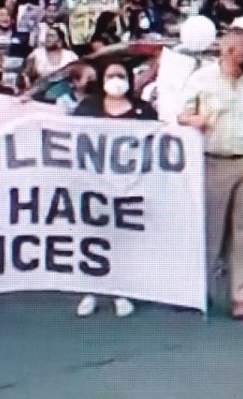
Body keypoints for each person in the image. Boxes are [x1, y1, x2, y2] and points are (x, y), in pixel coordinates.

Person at [179, 27, 243, 320]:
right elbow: (181, 115)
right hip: (213, 161)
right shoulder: (201, 79)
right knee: (210, 230)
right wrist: (196, 120)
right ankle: (202, 289)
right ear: (228, 52)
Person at [70, 60, 157, 318]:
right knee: (94, 239)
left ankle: (124, 291)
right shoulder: (87, 109)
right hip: (94, 186)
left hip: (131, 187)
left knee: (126, 239)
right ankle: (92, 290)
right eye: (110, 75)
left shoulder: (142, 110)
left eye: (121, 75)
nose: (116, 80)